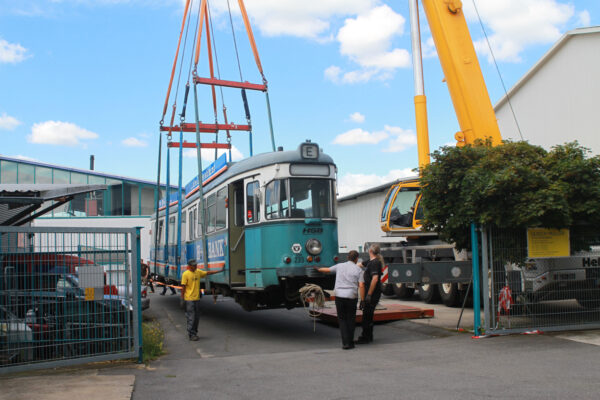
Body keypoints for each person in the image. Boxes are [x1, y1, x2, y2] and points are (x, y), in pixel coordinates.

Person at [314, 250, 362, 350]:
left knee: (342, 319)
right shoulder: (358, 270)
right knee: (351, 319)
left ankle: (345, 343)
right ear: (356, 259)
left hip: (339, 296)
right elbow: (361, 285)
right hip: (351, 297)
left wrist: (318, 269)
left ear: (348, 257)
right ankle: (351, 342)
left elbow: (327, 270)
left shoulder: (340, 266)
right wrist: (363, 299)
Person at [181, 259, 225, 341]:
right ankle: (191, 334)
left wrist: (220, 271)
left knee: (197, 317)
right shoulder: (185, 274)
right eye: (194, 265)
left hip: (197, 299)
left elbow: (208, 273)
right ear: (189, 266)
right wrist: (182, 298)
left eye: (196, 265)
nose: (195, 266)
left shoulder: (198, 272)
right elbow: (183, 287)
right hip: (189, 299)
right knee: (191, 317)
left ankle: (194, 332)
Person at [356, 244, 384, 344]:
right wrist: (348, 265)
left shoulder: (375, 263)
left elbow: (375, 279)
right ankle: (368, 336)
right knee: (368, 314)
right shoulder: (370, 262)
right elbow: (360, 264)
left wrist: (369, 294)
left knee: (367, 315)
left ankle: (366, 337)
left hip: (372, 293)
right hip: (371, 293)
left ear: (370, 251)